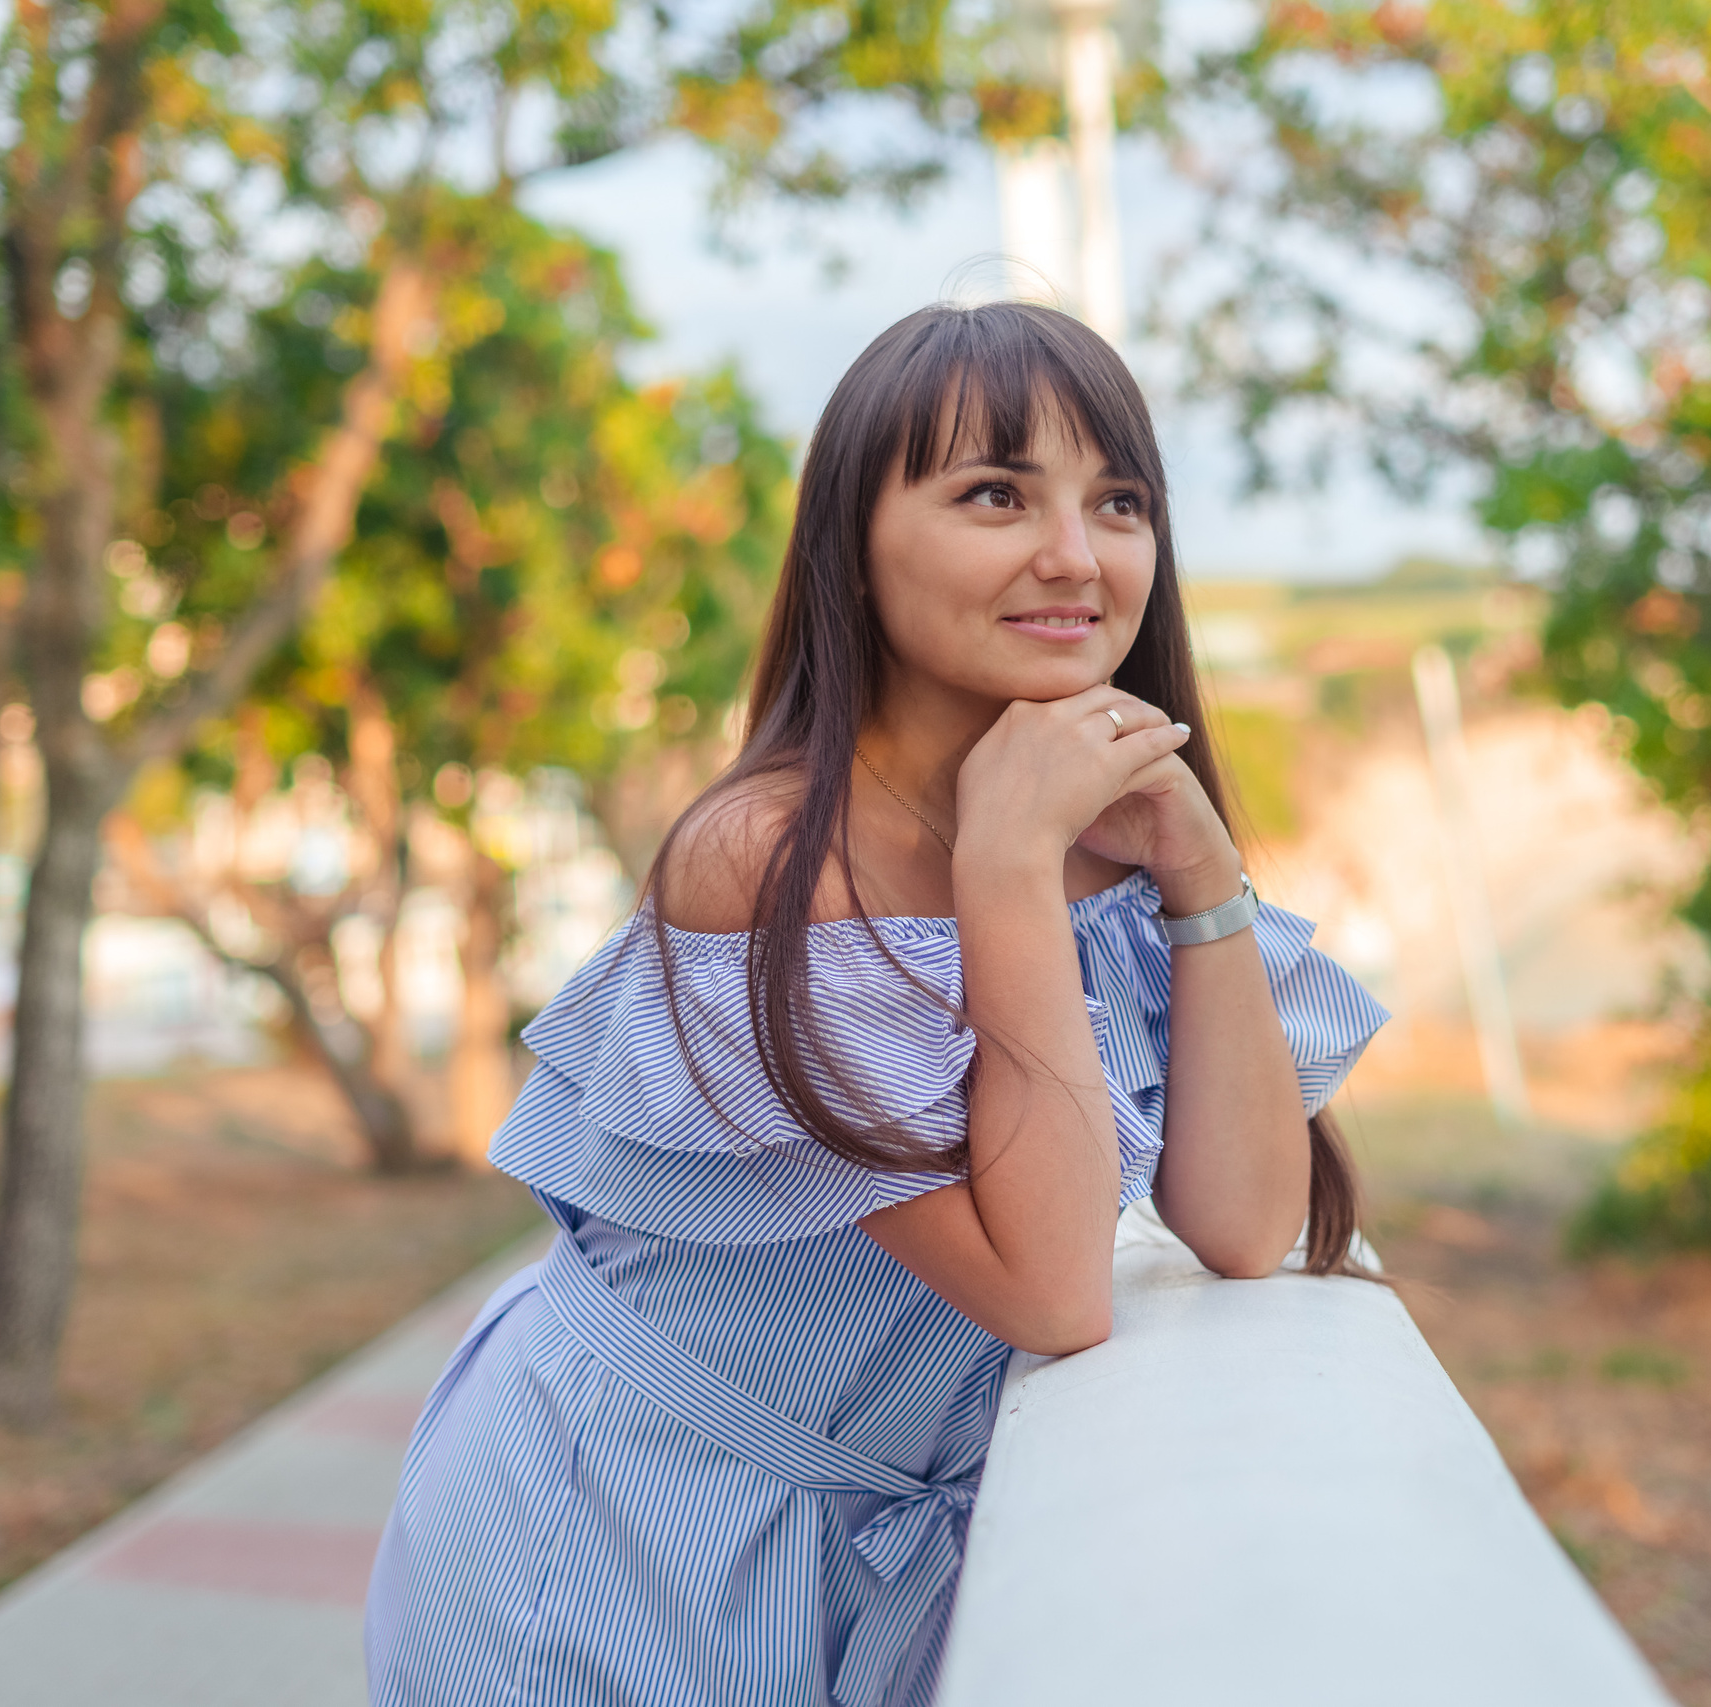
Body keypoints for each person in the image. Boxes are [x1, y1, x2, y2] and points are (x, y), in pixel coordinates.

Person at [365, 300, 1389, 1707]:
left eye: (1120, 502)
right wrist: (1009, 865)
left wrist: (1200, 870)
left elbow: (1245, 1220)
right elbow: (1050, 1290)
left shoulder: (1113, 836)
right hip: (629, 1524)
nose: (1076, 556)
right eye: (994, 494)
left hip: (890, 1550)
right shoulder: (770, 863)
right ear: (855, 540)